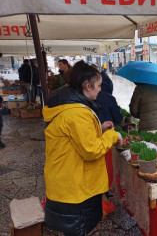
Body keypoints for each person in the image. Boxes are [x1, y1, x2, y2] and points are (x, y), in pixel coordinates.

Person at [42, 61, 121, 235]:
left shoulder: (70, 106)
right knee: (79, 229)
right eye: (99, 85)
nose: (101, 89)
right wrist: (112, 135)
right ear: (87, 86)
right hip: (75, 187)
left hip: (68, 181)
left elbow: (73, 139)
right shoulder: (77, 113)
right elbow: (91, 151)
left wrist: (99, 130)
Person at [96, 68, 123, 188]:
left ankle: (103, 190)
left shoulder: (87, 99)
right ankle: (105, 189)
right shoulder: (108, 97)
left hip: (98, 133)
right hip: (106, 135)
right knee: (106, 164)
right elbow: (118, 116)